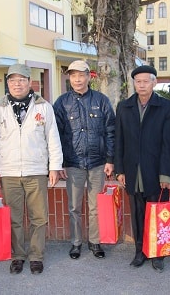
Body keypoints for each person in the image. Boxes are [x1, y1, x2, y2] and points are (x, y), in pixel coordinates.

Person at [0, 63, 63, 275]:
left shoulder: (43, 107)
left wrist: (54, 167)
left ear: (30, 82)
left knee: (39, 217)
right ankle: (18, 255)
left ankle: (36, 255)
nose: (17, 84)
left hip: (36, 170)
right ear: (7, 83)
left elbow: (53, 138)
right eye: (12, 80)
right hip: (9, 172)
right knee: (15, 218)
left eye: (21, 80)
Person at [114, 65, 170, 272]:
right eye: (138, 81)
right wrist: (120, 170)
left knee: (158, 213)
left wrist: (166, 173)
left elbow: (169, 143)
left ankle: (158, 253)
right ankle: (140, 251)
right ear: (134, 83)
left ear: (154, 82)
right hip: (133, 171)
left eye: (146, 81)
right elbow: (119, 141)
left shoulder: (165, 107)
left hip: (156, 171)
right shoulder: (124, 107)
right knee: (138, 214)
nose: (141, 85)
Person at [53, 60, 115, 260]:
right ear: (69, 78)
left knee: (95, 206)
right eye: (73, 75)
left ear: (89, 76)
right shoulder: (62, 102)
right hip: (73, 163)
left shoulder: (101, 100)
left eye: (81, 75)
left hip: (97, 163)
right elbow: (56, 135)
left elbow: (111, 132)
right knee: (74, 206)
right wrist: (59, 163)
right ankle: (76, 242)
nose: (77, 79)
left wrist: (110, 159)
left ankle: (95, 242)